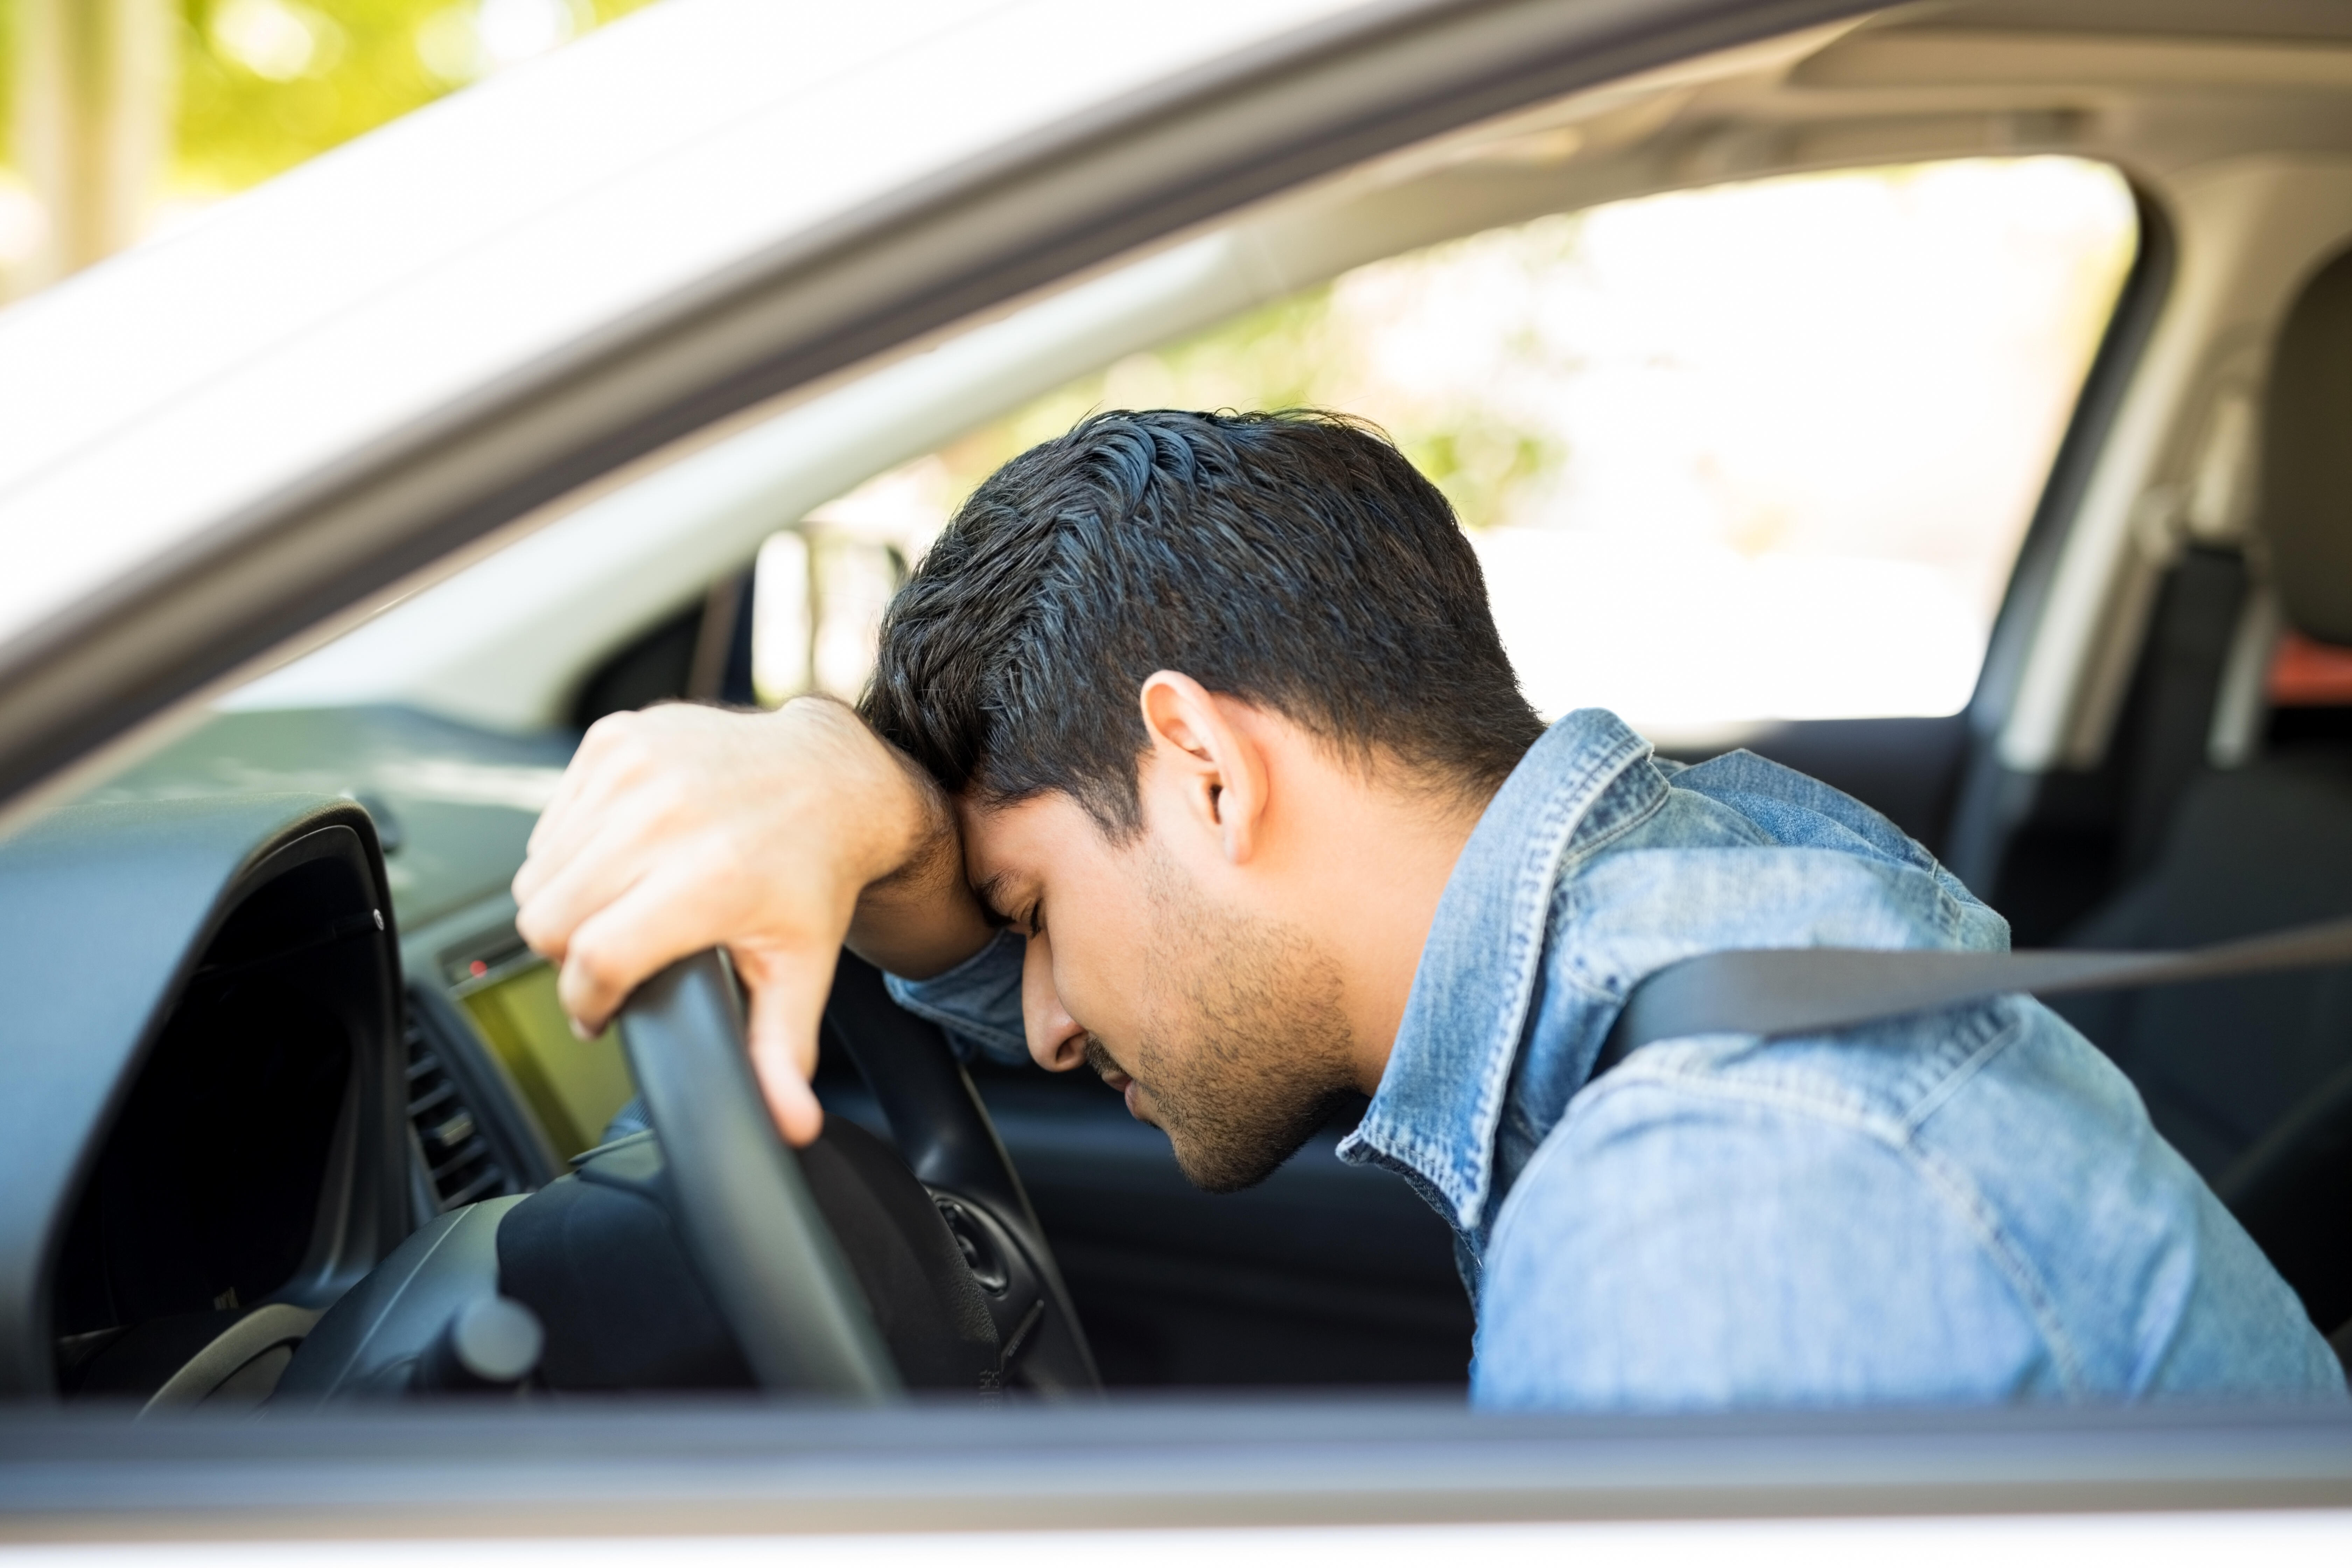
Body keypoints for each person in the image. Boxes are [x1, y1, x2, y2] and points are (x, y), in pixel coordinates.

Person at [513, 408, 2345, 1407]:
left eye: (1036, 909)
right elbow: (1026, 965)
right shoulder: (1691, 881)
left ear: (1208, 771)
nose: (1043, 1019)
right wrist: (863, 797)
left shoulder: (1706, 1221)